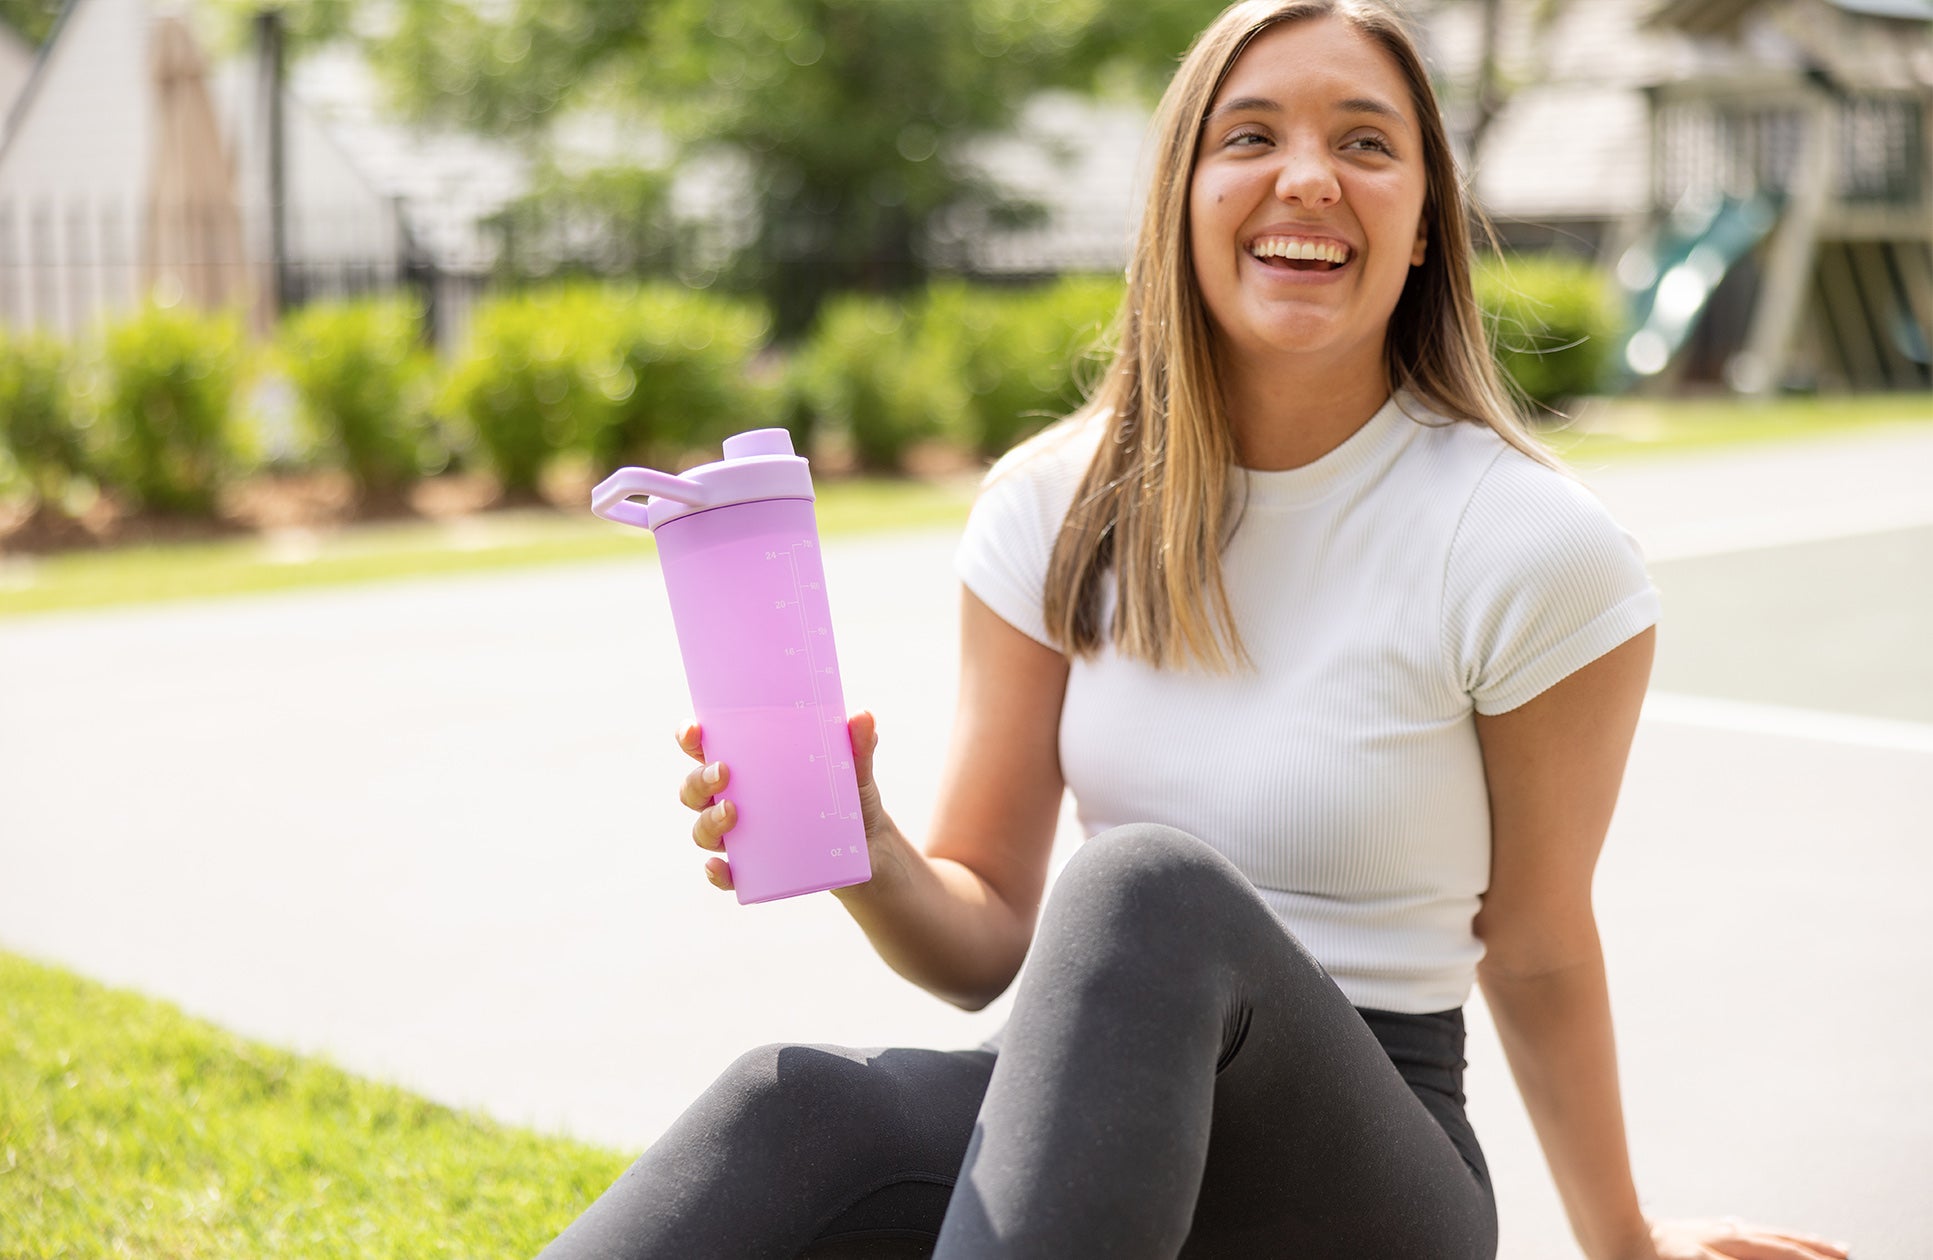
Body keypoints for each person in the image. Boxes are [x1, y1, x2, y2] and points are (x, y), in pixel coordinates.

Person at [541, 2, 1855, 1257]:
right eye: (1249, 136)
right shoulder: (1050, 504)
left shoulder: (1529, 546)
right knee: (796, 1104)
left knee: (1141, 889)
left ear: (1420, 230)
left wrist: (1622, 1238)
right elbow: (983, 940)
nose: (1305, 177)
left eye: (1363, 141)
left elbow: (1539, 941)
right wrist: (863, 840)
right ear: (1179, 203)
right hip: (1084, 1115)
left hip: (1364, 1175)